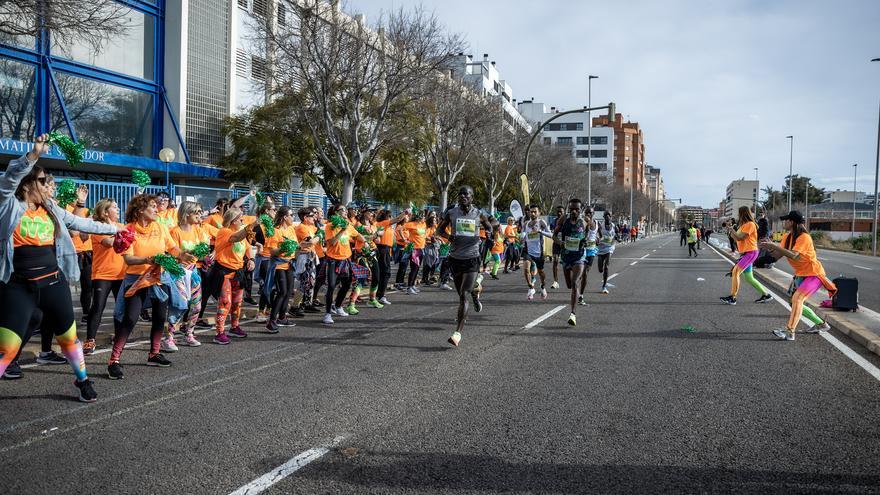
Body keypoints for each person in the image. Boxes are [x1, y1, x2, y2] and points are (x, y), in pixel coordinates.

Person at [0, 135, 116, 401]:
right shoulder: (8, 204)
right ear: (27, 184)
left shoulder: (50, 208)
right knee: (6, 348)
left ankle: (82, 380)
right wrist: (32, 156)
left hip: (54, 282)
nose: (48, 185)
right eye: (43, 180)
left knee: (69, 339)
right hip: (19, 286)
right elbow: (8, 181)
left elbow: (81, 223)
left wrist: (116, 229)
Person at [110, 194, 194, 379]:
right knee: (130, 319)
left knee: (159, 316)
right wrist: (148, 259)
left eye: (157, 206)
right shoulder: (128, 230)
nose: (157, 209)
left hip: (158, 277)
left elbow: (172, 248)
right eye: (153, 206)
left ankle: (154, 354)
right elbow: (129, 259)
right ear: (141, 210)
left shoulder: (160, 227)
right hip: (136, 279)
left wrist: (183, 255)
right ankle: (114, 360)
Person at [434, 186, 497, 347]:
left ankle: (457, 333)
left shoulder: (479, 213)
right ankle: (476, 292)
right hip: (455, 258)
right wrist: (449, 237)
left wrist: (489, 235)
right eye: (460, 194)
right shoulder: (452, 213)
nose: (462, 196)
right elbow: (439, 229)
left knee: (463, 295)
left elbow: (491, 225)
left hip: (472, 258)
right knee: (462, 293)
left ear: (471, 197)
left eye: (466, 194)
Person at [759, 211, 835, 341]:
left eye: (786, 220)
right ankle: (821, 324)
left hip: (814, 274)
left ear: (792, 222)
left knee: (797, 300)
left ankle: (789, 332)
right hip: (800, 275)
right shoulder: (787, 237)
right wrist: (769, 248)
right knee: (793, 302)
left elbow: (794, 255)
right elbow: (777, 256)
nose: (784, 222)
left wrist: (774, 246)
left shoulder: (804, 237)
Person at [203, 208, 259, 344]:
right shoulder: (224, 232)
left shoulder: (241, 233)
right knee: (225, 303)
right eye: (240, 219)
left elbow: (247, 248)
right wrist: (252, 225)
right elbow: (236, 238)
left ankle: (234, 327)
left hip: (238, 272)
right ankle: (219, 333)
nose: (242, 221)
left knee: (237, 302)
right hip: (224, 272)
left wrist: (251, 260)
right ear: (232, 221)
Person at [166, 201, 212, 348]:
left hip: (193, 271)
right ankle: (169, 337)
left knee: (197, 305)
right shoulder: (175, 231)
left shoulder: (198, 231)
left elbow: (203, 250)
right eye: (196, 212)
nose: (200, 215)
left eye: (200, 212)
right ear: (187, 214)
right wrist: (189, 254)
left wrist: (206, 256)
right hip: (178, 271)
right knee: (180, 305)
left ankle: (189, 333)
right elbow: (172, 253)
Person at [84, 198, 126, 355]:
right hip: (103, 274)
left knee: (120, 308)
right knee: (98, 307)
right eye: (115, 207)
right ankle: (90, 340)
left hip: (121, 273)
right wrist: (124, 236)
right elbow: (109, 243)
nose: (118, 209)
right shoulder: (98, 227)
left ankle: (119, 336)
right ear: (105, 211)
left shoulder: (122, 227)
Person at [322, 204, 368, 324]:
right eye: (342, 210)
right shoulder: (330, 226)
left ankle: (338, 306)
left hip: (346, 260)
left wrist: (365, 242)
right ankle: (327, 313)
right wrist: (342, 230)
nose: (345, 212)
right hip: (333, 260)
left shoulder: (348, 225)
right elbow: (331, 242)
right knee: (331, 286)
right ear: (336, 212)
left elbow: (357, 235)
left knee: (347, 285)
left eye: (346, 210)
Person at [720, 206, 772, 305]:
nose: (738, 216)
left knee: (736, 272)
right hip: (745, 253)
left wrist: (732, 230)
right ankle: (766, 295)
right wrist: (730, 229)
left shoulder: (750, 224)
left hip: (751, 252)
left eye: (739, 213)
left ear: (743, 214)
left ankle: (733, 297)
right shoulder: (742, 226)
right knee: (749, 278)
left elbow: (740, 237)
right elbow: (736, 239)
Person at [264, 206, 301, 332]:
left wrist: (299, 248)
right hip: (278, 265)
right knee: (282, 292)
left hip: (289, 264)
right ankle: (271, 320)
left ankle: (282, 317)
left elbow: (295, 246)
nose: (293, 217)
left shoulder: (291, 229)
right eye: (291, 215)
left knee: (289, 291)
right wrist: (283, 249)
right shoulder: (275, 230)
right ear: (285, 217)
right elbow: (272, 251)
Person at [553, 198, 588, 326]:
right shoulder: (563, 219)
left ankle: (573, 314)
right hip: (566, 256)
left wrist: (585, 242)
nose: (574, 211)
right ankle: (577, 294)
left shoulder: (584, 222)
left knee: (574, 283)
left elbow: (589, 236)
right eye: (572, 209)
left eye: (577, 209)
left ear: (580, 210)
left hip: (579, 257)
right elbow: (554, 235)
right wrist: (560, 242)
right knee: (569, 285)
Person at [520, 204, 552, 300]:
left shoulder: (541, 222)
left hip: (539, 252)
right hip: (528, 251)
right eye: (531, 211)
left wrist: (540, 232)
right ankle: (531, 287)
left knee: (541, 272)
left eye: (535, 211)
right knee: (526, 269)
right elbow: (523, 234)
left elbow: (551, 234)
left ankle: (542, 286)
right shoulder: (525, 223)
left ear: (539, 213)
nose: (532, 213)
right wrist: (522, 237)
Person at [597, 210, 617, 294]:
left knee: (606, 267)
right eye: (606, 216)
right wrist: (598, 239)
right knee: (600, 269)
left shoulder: (614, 226)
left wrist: (617, 238)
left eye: (609, 216)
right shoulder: (600, 226)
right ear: (604, 217)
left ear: (611, 217)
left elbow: (616, 235)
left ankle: (604, 286)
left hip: (609, 248)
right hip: (601, 248)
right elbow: (597, 235)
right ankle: (604, 282)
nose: (608, 217)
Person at [549, 205, 565, 289]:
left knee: (568, 264)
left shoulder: (567, 222)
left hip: (566, 244)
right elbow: (552, 233)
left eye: (561, 212)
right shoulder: (554, 222)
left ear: (564, 213)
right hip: (556, 243)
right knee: (555, 261)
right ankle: (555, 281)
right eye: (558, 212)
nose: (559, 213)